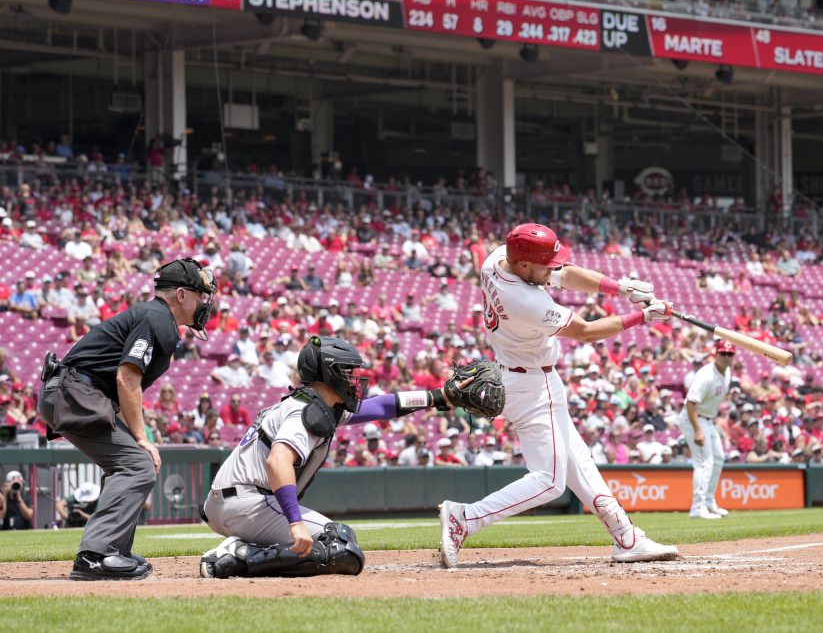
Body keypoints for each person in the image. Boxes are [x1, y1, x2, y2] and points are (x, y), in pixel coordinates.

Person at [438, 223, 679, 568]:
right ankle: (467, 518)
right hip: (532, 386)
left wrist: (620, 287)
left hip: (526, 376)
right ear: (523, 265)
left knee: (578, 461)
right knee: (551, 482)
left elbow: (563, 274)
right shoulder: (524, 300)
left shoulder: (496, 260)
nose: (552, 267)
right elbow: (586, 332)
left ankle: (626, 537)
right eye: (543, 264)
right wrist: (641, 316)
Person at [199, 336, 469, 578]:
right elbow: (277, 461)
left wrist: (438, 396)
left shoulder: (315, 404)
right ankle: (239, 558)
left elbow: (382, 406)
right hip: (249, 504)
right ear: (330, 374)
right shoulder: (305, 412)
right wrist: (295, 523)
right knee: (342, 546)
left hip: (228, 503)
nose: (354, 379)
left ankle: (244, 548)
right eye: (348, 372)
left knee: (335, 543)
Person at [38, 257, 217, 580]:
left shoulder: (157, 318)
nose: (204, 303)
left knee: (135, 462)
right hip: (77, 392)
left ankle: (114, 550)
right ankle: (95, 556)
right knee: (137, 464)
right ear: (181, 295)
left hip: (80, 393)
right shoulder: (158, 318)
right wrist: (141, 438)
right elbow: (126, 379)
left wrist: (141, 438)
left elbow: (123, 387)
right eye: (200, 295)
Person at [680, 340, 734, 520]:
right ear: (715, 354)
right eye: (723, 353)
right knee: (705, 462)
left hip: (708, 419)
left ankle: (709, 502)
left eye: (729, 354)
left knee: (719, 458)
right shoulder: (706, 375)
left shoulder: (727, 372)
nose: (726, 357)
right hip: (694, 418)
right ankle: (697, 507)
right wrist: (697, 430)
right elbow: (691, 403)